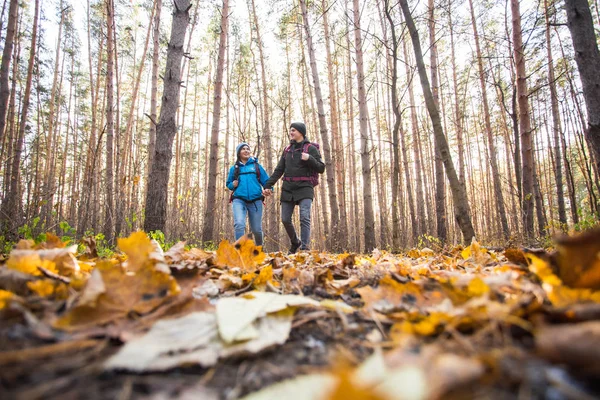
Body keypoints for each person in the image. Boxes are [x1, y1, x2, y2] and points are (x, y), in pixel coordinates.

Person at [263, 122, 325, 253]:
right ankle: (295, 242)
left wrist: (309, 158)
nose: (291, 133)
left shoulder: (310, 148)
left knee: (304, 217)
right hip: (288, 188)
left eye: (293, 130)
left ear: (301, 132)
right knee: (285, 219)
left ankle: (305, 248)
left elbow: (321, 168)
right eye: (290, 130)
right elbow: (279, 169)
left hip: (305, 187)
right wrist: (268, 185)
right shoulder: (287, 150)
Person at [226, 143, 270, 247]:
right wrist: (233, 184)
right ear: (238, 153)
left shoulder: (256, 166)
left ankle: (260, 249)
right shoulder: (234, 168)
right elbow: (228, 184)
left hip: (256, 200)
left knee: (256, 230)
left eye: (247, 149)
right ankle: (240, 251)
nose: (246, 151)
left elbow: (266, 181)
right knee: (239, 224)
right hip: (239, 199)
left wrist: (268, 189)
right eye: (243, 149)